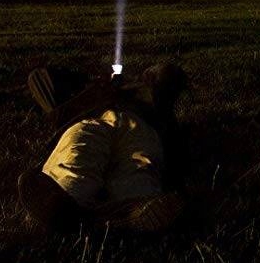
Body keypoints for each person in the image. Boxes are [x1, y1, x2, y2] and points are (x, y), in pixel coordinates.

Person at [18, 60, 187, 233]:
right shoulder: (90, 92)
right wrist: (95, 86)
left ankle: (131, 211)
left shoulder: (150, 100)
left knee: (138, 167)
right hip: (96, 120)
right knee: (81, 146)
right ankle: (68, 201)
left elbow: (168, 72)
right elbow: (40, 77)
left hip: (140, 126)